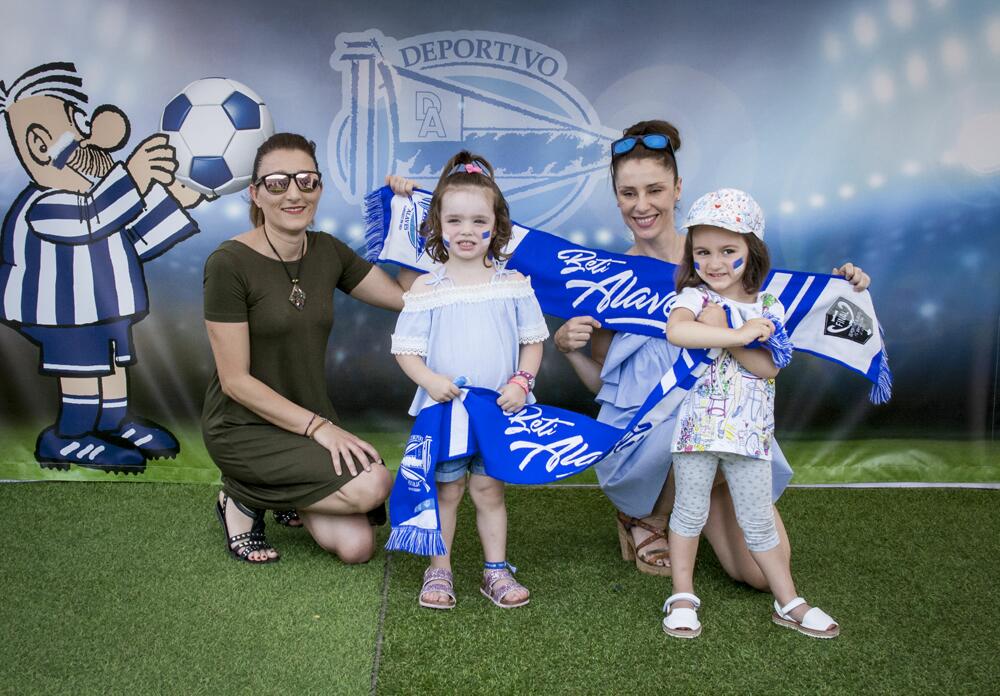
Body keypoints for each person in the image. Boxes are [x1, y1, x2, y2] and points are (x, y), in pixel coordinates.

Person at [553, 119, 870, 585]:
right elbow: (610, 389)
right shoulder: (610, 280)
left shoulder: (718, 257)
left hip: (729, 429)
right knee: (684, 421)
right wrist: (572, 352)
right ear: (616, 196)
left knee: (760, 576)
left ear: (678, 188)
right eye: (628, 193)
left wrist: (840, 286)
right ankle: (644, 517)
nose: (642, 206)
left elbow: (780, 306)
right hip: (653, 444)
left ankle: (709, 501)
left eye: (655, 189)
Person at [202, 132, 400, 564]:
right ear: (255, 194)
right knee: (373, 485)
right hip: (243, 428)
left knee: (357, 549)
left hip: (306, 423)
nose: (294, 193)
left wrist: (409, 215)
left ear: (319, 188)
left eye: (306, 180)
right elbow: (235, 382)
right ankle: (239, 498)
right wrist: (320, 429)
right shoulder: (228, 263)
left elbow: (406, 297)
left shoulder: (328, 250)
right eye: (277, 183)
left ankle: (282, 492)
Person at [661, 188, 838, 639]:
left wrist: (734, 335)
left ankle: (788, 599)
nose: (714, 262)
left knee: (758, 519)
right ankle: (682, 594)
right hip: (698, 432)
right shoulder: (694, 299)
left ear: (751, 251)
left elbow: (767, 367)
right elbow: (678, 331)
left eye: (727, 251)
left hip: (749, 436)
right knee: (688, 513)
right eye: (702, 251)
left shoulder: (769, 307)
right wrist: (734, 334)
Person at [389, 151, 548, 609]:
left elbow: (533, 342)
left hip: (495, 412)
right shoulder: (426, 289)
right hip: (445, 413)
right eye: (454, 219)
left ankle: (495, 570)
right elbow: (406, 350)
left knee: (488, 489)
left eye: (478, 220)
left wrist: (521, 381)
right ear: (437, 225)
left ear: (496, 227)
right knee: (449, 490)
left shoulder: (513, 283)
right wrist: (429, 380)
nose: (465, 230)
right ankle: (439, 571)